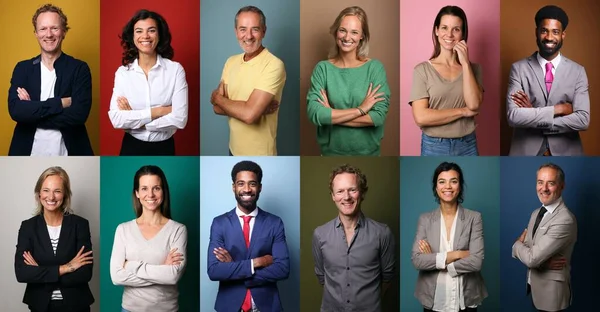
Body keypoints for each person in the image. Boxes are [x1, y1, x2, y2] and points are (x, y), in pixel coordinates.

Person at [7, 4, 94, 156]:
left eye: (54, 28)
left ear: (64, 31)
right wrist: (60, 103)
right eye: (43, 29)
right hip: (27, 153)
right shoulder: (23, 69)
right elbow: (16, 111)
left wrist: (32, 112)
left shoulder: (80, 68)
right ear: (35, 33)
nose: (49, 34)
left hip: (70, 152)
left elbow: (79, 115)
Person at [306, 6, 391, 156]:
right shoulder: (323, 69)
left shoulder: (374, 68)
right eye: (343, 30)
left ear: (362, 36)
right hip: (330, 154)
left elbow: (378, 117)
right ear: (336, 31)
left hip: (368, 154)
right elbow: (316, 114)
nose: (347, 37)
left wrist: (331, 115)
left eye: (354, 32)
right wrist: (361, 110)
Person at [207, 160, 290, 311]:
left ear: (259, 187)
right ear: (233, 187)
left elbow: (283, 269)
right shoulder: (219, 223)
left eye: (252, 184)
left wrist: (234, 270)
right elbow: (214, 271)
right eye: (241, 183)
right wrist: (257, 262)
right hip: (229, 306)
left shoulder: (275, 223)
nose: (247, 189)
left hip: (267, 306)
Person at [507, 5, 589, 156]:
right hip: (525, 152)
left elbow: (583, 120)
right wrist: (559, 110)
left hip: (568, 153)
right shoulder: (518, 69)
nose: (549, 37)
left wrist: (532, 115)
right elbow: (514, 116)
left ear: (563, 35)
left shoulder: (578, 71)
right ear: (537, 32)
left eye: (555, 32)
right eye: (544, 30)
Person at [312, 164, 395, 311]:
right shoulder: (320, 234)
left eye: (352, 190)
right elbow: (321, 276)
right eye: (340, 191)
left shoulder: (382, 233)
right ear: (333, 196)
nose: (346, 197)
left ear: (362, 193)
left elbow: (387, 277)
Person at [108, 10, 189, 156]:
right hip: (131, 146)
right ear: (132, 37)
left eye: (151, 30)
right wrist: (160, 111)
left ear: (159, 35)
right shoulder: (123, 73)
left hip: (165, 147)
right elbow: (116, 119)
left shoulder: (175, 70)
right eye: (139, 31)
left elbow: (180, 119)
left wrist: (135, 120)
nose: (145, 36)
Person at [14, 166, 94, 311]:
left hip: (76, 305)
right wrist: (66, 268)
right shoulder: (28, 227)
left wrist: (40, 273)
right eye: (46, 190)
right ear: (39, 194)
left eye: (57, 191)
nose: (51, 197)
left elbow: (85, 273)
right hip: (40, 306)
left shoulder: (80, 224)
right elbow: (21, 272)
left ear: (65, 195)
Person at [210, 6, 286, 156]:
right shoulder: (230, 62)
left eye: (255, 29)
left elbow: (249, 115)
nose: (248, 36)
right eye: (243, 29)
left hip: (261, 153)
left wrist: (218, 98)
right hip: (233, 149)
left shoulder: (274, 65)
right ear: (236, 31)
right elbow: (216, 109)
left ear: (264, 31)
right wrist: (250, 108)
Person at [110, 165, 187, 312]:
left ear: (163, 191)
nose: (150, 194)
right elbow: (116, 277)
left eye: (156, 188)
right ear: (137, 193)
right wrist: (161, 271)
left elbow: (172, 276)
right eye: (144, 188)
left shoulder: (178, 230)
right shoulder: (123, 229)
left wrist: (131, 266)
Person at [411, 162, 487, 312]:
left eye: (453, 181)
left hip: (466, 298)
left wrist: (435, 260)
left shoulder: (474, 218)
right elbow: (417, 260)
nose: (448, 186)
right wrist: (457, 254)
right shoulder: (425, 219)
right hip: (434, 299)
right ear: (436, 187)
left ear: (460, 186)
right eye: (442, 181)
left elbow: (477, 262)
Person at [409, 6, 483, 156]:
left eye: (456, 29)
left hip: (468, 144)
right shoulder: (422, 70)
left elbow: (474, 104)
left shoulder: (474, 69)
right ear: (436, 31)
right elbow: (421, 117)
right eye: (444, 28)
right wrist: (463, 111)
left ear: (463, 33)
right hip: (434, 145)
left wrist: (466, 64)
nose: (449, 34)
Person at [512, 163, 577, 311]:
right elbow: (530, 251)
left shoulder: (565, 219)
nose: (544, 188)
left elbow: (531, 257)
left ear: (562, 186)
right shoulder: (536, 213)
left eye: (551, 183)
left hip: (552, 295)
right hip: (535, 286)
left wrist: (516, 245)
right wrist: (540, 262)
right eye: (540, 182)